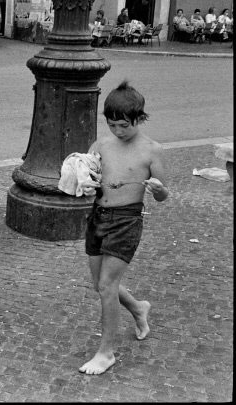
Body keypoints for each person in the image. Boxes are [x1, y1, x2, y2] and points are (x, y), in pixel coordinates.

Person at [78, 81, 169, 376]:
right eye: (113, 125)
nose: (118, 131)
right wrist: (84, 182)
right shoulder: (101, 145)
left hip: (127, 220)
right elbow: (88, 178)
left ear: (139, 119)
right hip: (98, 216)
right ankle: (139, 308)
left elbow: (164, 194)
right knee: (100, 285)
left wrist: (157, 190)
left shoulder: (152, 150)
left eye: (124, 126)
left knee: (106, 286)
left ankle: (106, 353)